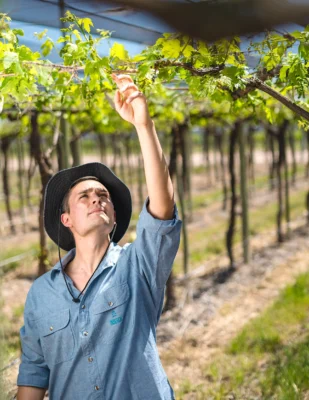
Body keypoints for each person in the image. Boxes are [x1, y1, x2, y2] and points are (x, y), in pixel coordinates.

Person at [16, 74, 182, 399]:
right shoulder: (40, 294)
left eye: (103, 195)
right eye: (85, 196)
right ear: (66, 220)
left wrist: (143, 126)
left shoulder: (138, 267)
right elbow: (33, 377)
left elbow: (162, 209)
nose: (97, 199)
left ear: (114, 217)